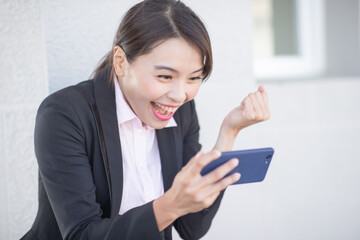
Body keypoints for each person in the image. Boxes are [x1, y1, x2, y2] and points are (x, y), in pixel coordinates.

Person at [21, 0, 270, 239]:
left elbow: (193, 227)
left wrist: (228, 133)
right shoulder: (64, 114)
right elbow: (81, 234)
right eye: (165, 76)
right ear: (120, 62)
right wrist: (169, 206)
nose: (180, 95)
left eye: (194, 78)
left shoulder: (181, 110)